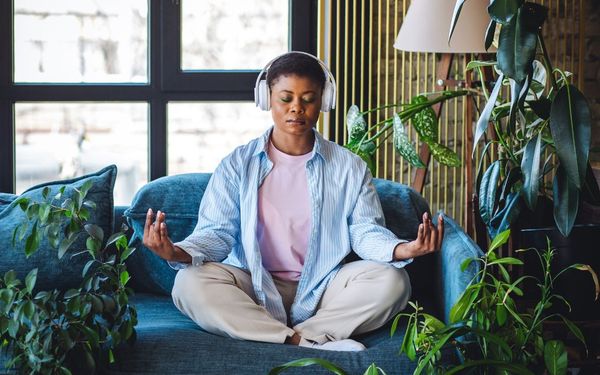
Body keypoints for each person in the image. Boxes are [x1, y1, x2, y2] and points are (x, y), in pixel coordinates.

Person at [142, 51, 443, 351]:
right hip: (253, 284)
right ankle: (304, 342)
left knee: (394, 282)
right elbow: (218, 233)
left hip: (324, 287)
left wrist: (404, 248)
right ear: (267, 98)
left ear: (323, 101)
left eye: (308, 98)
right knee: (188, 284)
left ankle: (280, 335)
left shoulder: (349, 167)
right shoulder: (237, 164)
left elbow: (365, 232)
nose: (296, 108)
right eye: (286, 98)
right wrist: (177, 252)